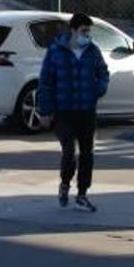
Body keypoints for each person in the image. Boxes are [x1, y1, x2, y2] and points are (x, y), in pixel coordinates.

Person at [37, 12, 110, 212]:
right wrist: (45, 110)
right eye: (84, 31)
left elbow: (103, 73)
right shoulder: (56, 51)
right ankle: (65, 183)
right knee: (70, 151)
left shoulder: (92, 51)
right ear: (73, 30)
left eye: (89, 31)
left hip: (86, 110)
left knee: (87, 153)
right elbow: (45, 82)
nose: (87, 35)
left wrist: (98, 89)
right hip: (64, 111)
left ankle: (82, 194)